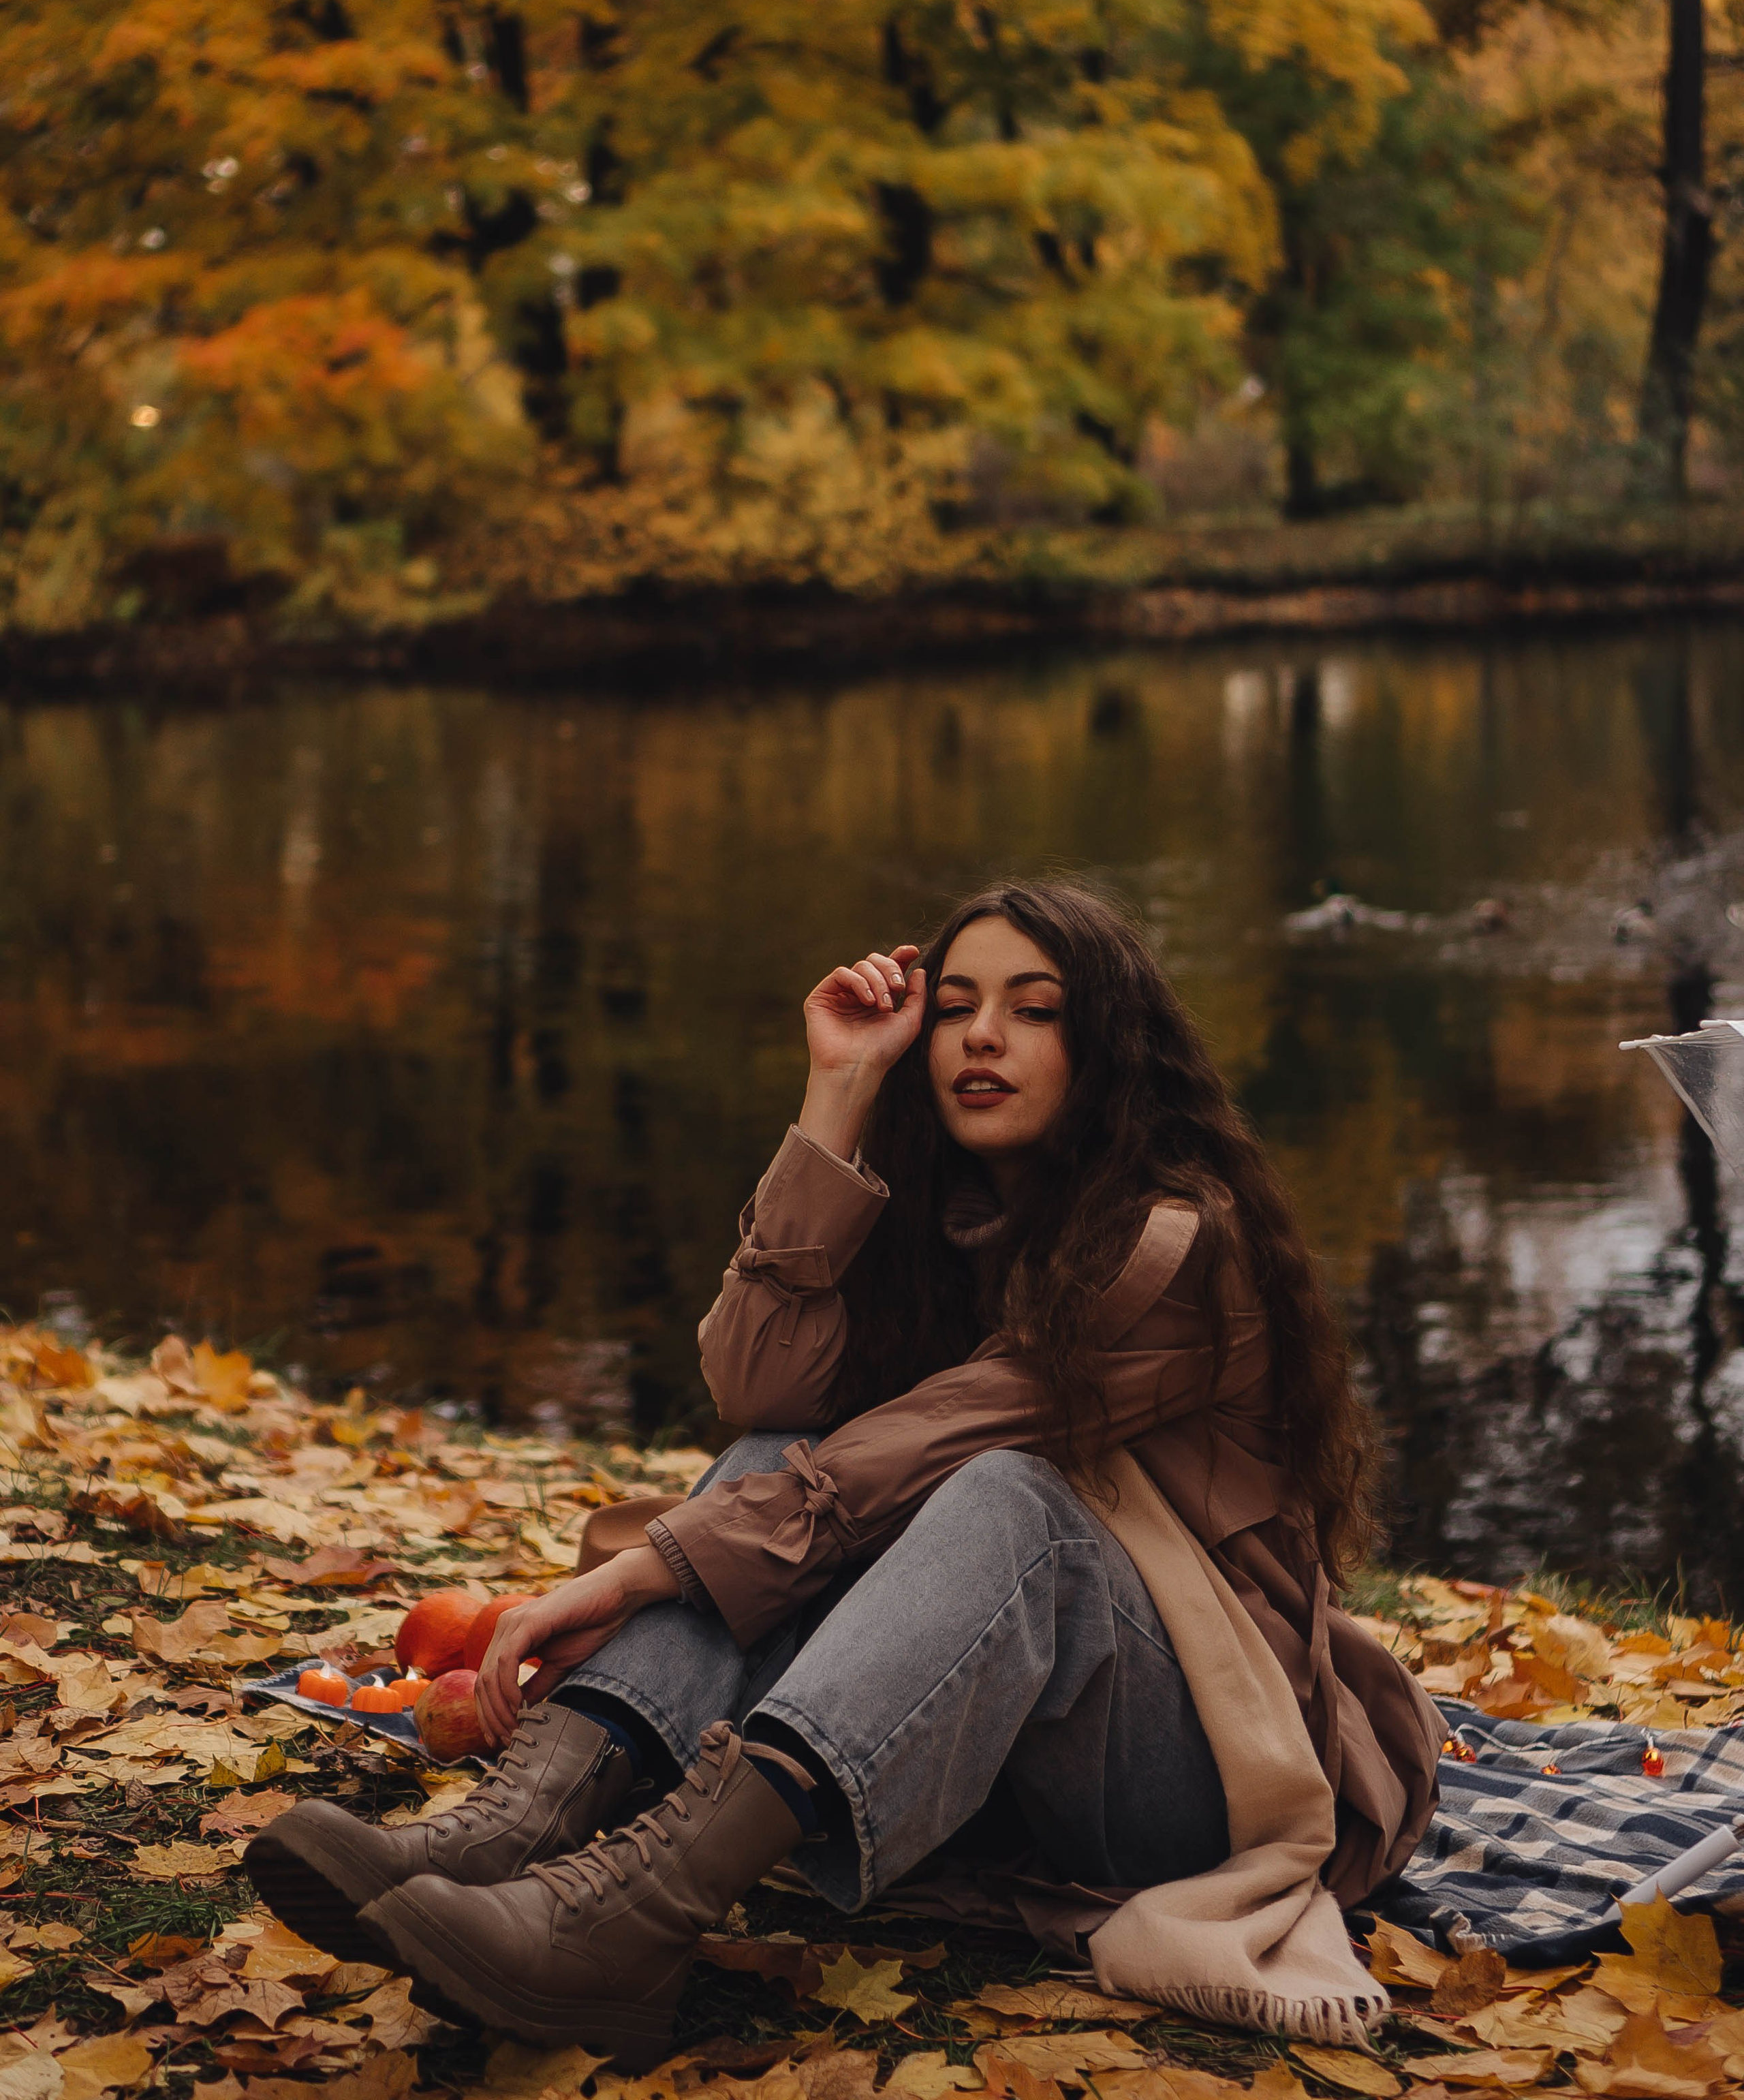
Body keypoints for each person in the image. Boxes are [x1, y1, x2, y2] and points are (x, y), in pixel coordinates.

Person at [247, 880, 1441, 2063]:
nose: (981, 1037)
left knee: (1013, 1500)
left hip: (1200, 1774)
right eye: (956, 1008)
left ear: (1112, 1049)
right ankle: (512, 1831)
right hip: (1003, 1756)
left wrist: (642, 1571)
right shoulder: (934, 1221)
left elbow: (944, 1437)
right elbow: (756, 1392)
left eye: (1034, 1011)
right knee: (775, 1460)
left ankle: (634, 1918)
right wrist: (837, 1092)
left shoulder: (1176, 1244)